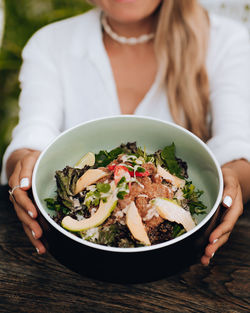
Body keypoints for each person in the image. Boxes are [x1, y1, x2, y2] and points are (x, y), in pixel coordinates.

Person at [2, 0, 250, 266]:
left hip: (180, 263)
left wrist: (233, 180)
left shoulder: (227, 41)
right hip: (77, 262)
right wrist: (26, 167)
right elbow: (33, 134)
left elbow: (236, 146)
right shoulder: (49, 43)